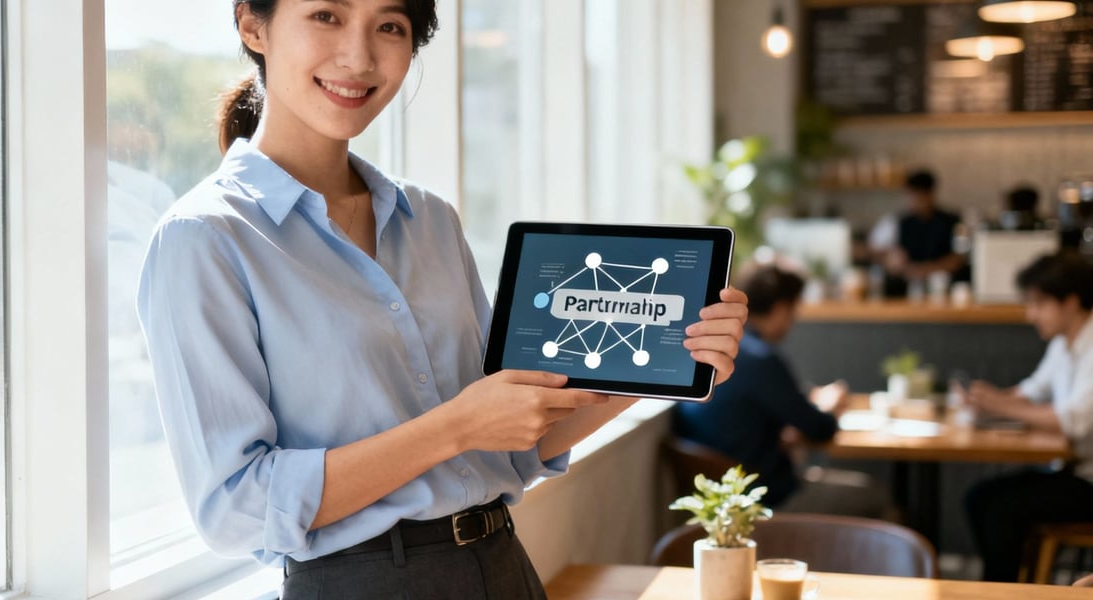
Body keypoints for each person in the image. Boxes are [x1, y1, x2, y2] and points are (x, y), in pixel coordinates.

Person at [134, 1, 750, 598]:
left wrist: (670, 362)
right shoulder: (205, 238)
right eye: (327, 16)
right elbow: (237, 508)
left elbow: (510, 440)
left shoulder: (428, 218)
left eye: (390, 25)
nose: (359, 56)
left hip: (503, 566)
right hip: (359, 585)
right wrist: (455, 427)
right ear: (252, 24)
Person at [673, 262, 888, 518]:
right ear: (781, 309)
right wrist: (828, 406)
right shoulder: (762, 358)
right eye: (793, 310)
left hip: (716, 502)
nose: (793, 320)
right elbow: (820, 429)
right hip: (766, 500)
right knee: (875, 495)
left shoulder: (709, 351)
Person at [963, 252, 1093, 582]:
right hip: (1071, 470)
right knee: (979, 498)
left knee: (1001, 511)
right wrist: (987, 398)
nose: (1030, 315)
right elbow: (1033, 389)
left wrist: (999, 406)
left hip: (1088, 481)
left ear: (1071, 302)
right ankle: (1008, 585)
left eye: (1039, 304)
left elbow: (1074, 421)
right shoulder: (1065, 343)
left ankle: (1005, 592)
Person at [867, 169, 965, 296]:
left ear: (930, 194)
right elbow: (881, 254)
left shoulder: (951, 221)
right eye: (911, 196)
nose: (915, 200)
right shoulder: (901, 222)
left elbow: (959, 258)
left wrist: (925, 270)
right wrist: (892, 260)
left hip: (945, 288)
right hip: (908, 289)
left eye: (919, 196)